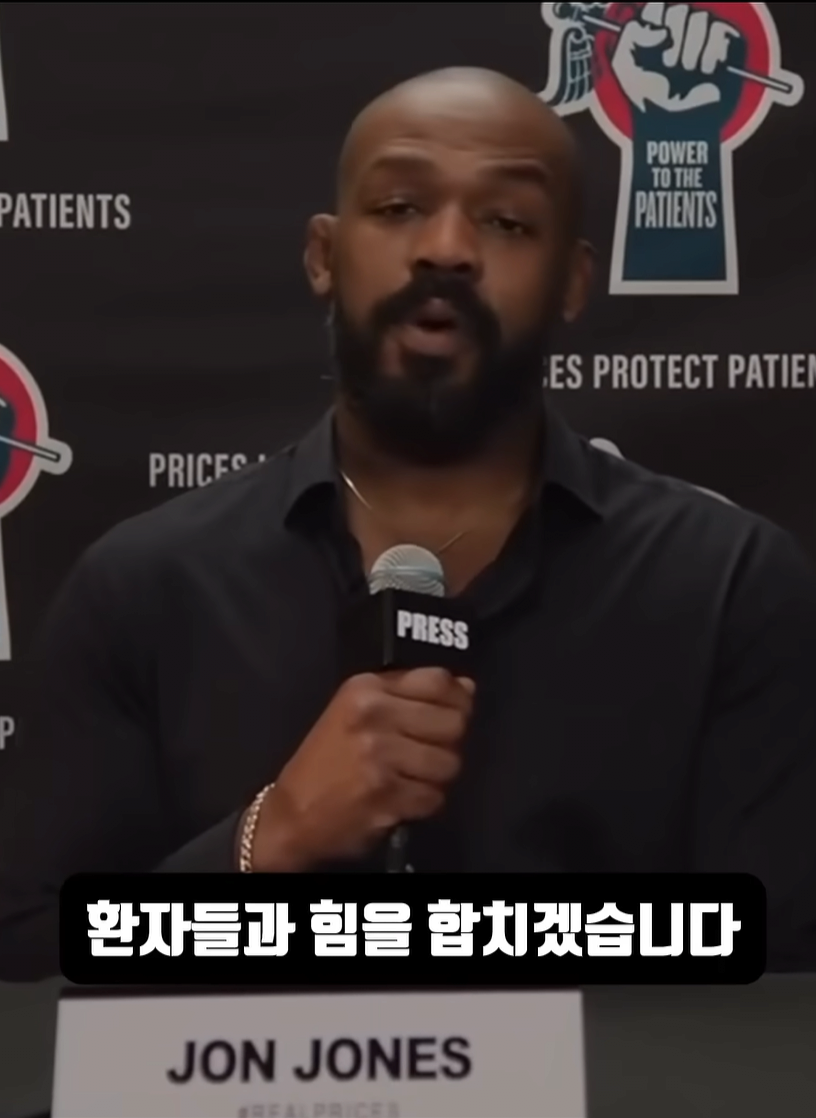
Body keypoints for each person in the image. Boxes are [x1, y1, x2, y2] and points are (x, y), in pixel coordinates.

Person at [1, 66, 815, 981]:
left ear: (574, 281)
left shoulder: (729, 588)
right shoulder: (147, 588)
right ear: (323, 255)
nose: (447, 249)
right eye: (399, 208)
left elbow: (781, 979)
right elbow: (26, 961)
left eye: (507, 222)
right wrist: (268, 842)